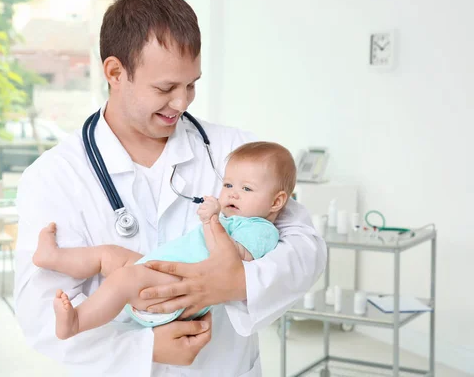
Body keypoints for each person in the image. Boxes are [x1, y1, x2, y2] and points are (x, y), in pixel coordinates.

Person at [14, 0, 326, 377]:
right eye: (165, 88)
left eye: (191, 84)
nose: (182, 103)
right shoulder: (54, 176)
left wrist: (238, 282)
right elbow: (40, 311)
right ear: (115, 72)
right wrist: (143, 349)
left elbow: (307, 248)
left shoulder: (236, 152)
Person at [32, 142, 296, 339]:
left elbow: (228, 261)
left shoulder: (262, 231)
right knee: (110, 255)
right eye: (228, 185)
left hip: (179, 290)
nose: (233, 194)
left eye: (246, 189)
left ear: (276, 201)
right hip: (163, 272)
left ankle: (77, 321)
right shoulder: (231, 219)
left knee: (124, 279)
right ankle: (53, 257)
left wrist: (211, 221)